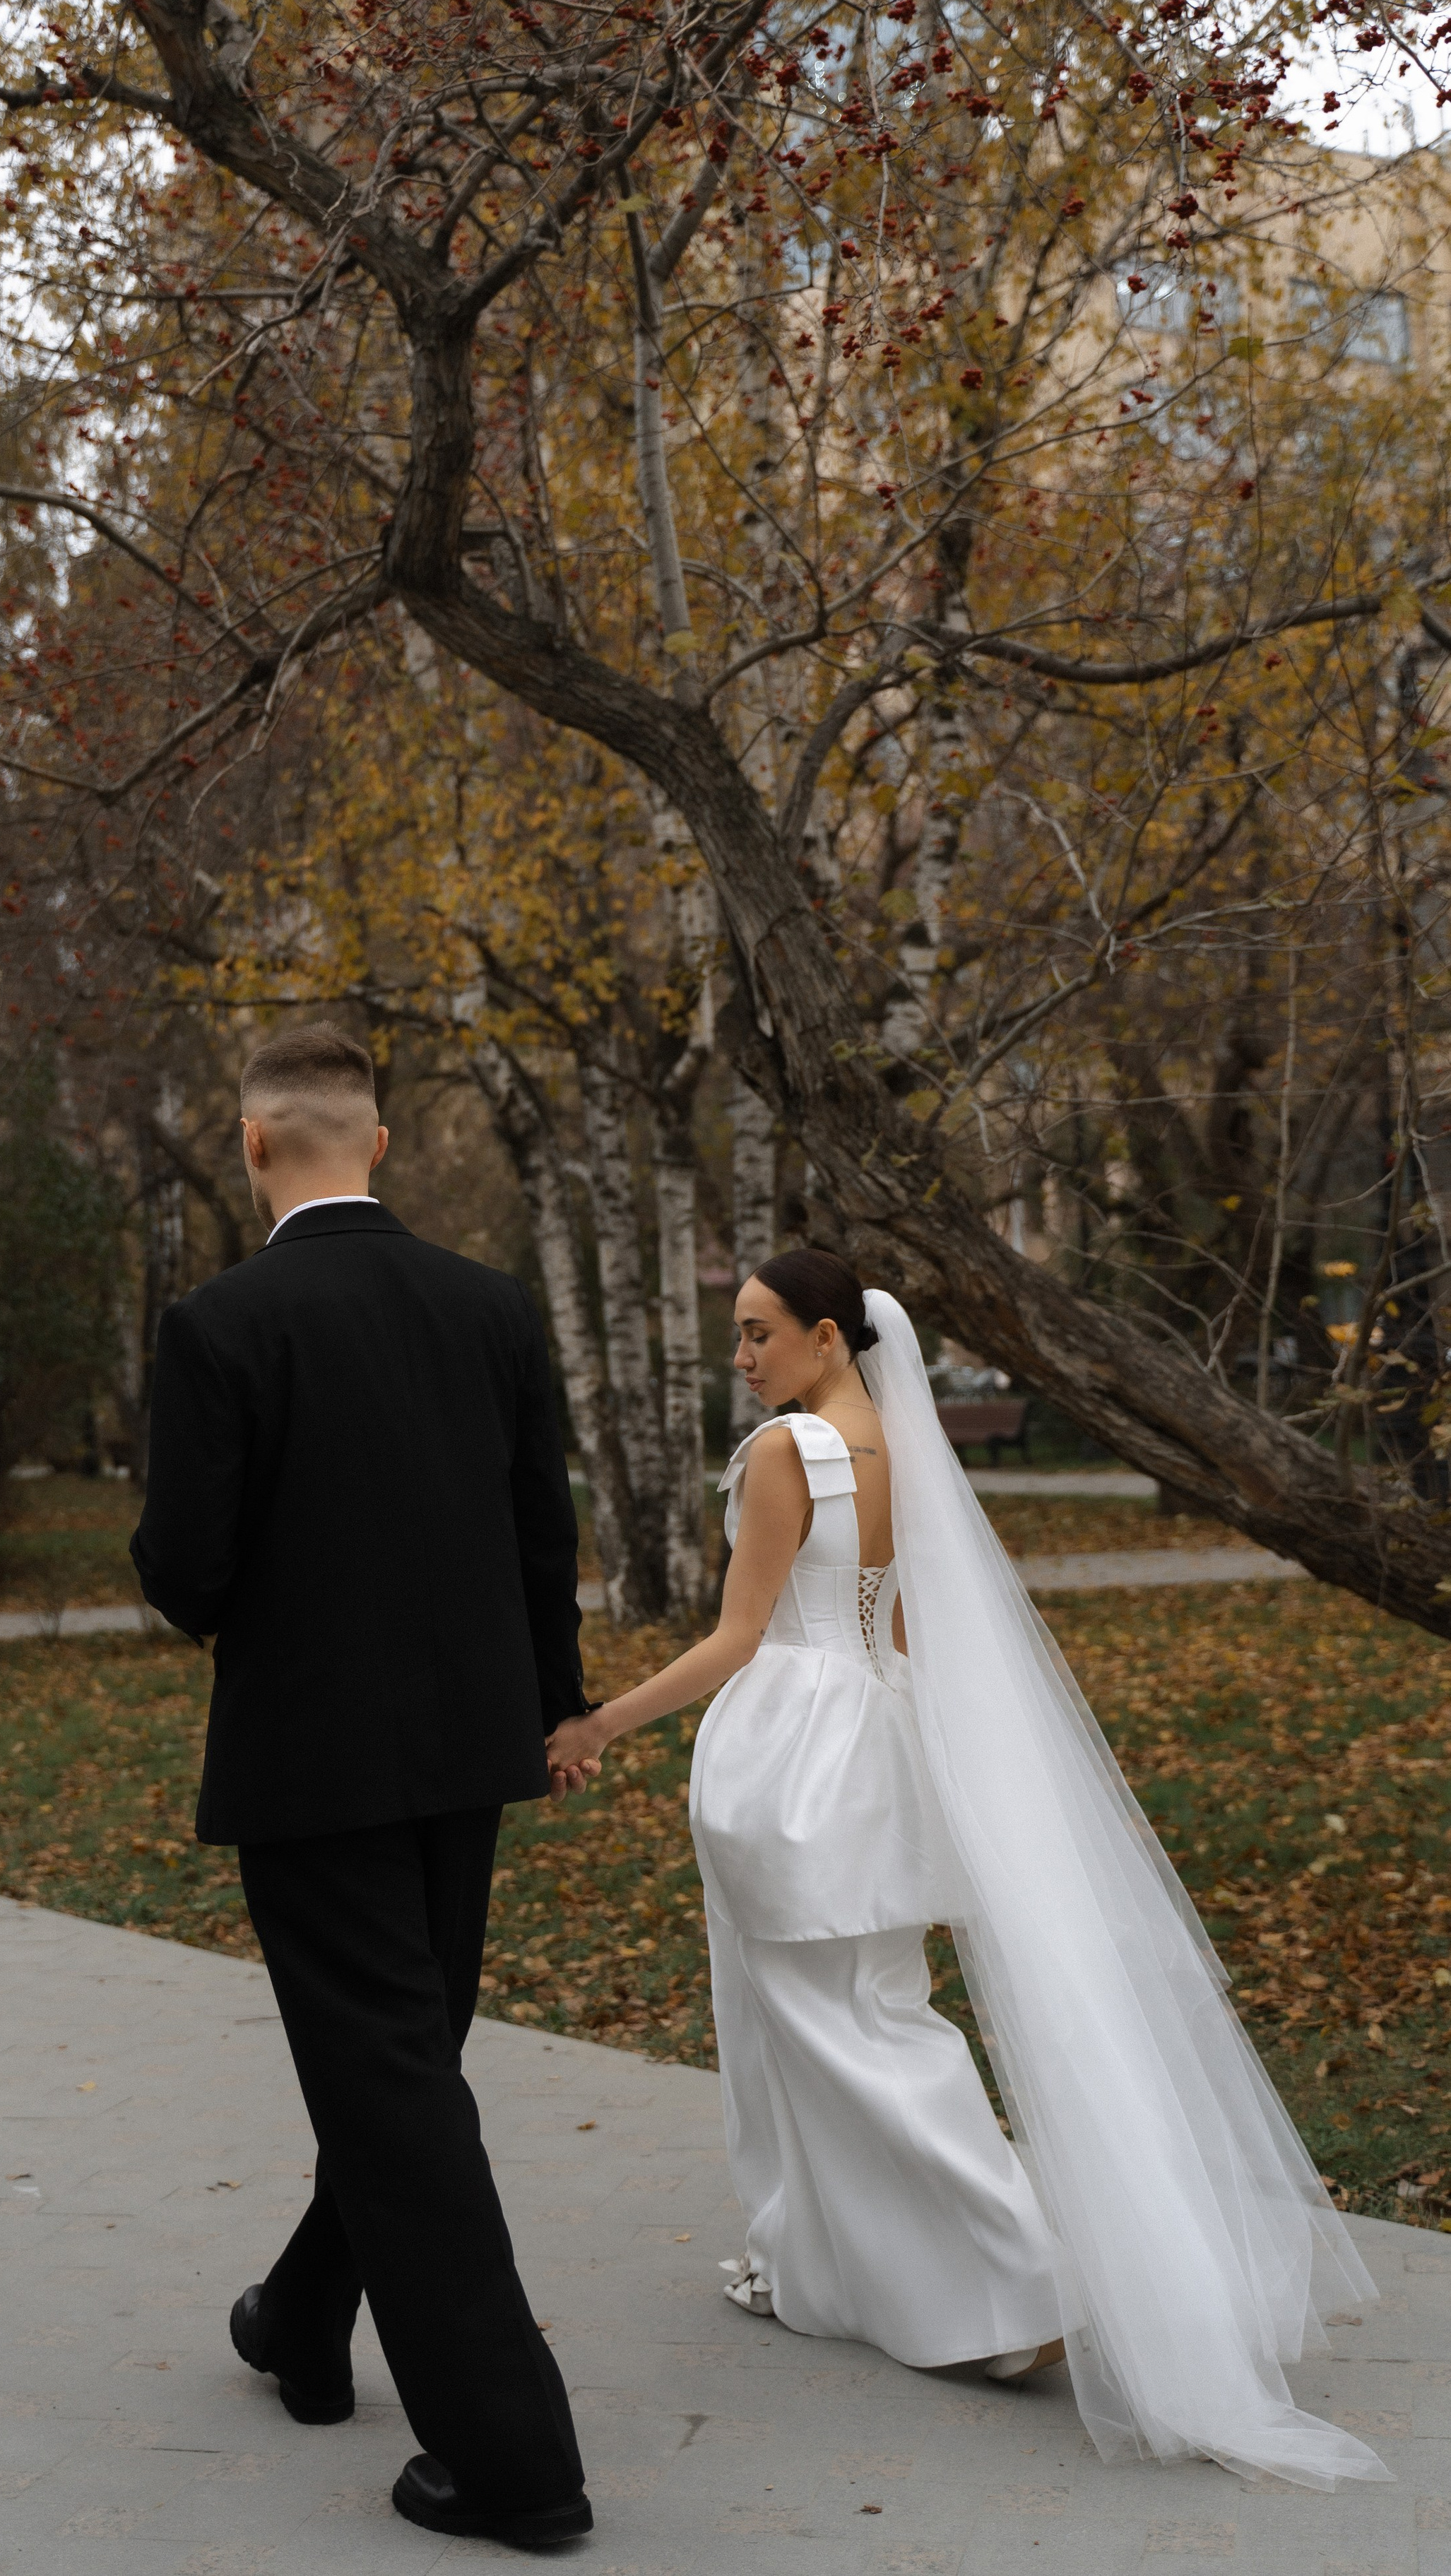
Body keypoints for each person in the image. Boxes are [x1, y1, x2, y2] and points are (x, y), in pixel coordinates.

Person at [545, 1248, 1389, 2492]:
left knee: (836, 2030)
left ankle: (1025, 2277)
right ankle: (830, 2263)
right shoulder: (900, 1447)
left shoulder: (788, 1452)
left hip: (791, 1751)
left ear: (828, 1335)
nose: (743, 1355)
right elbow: (900, 1623)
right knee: (872, 2011)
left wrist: (600, 1723)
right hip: (876, 1739)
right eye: (739, 1333)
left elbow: (739, 1636)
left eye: (760, 1331)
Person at [131, 1024, 596, 2551]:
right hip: (469, 1754)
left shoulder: (220, 1323)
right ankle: (301, 2318)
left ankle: (514, 2460)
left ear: (252, 1142)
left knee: (393, 2082)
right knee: (403, 2066)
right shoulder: (490, 1306)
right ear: (378, 1142)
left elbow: (186, 1575)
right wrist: (554, 1704)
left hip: (311, 1766)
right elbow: (541, 1532)